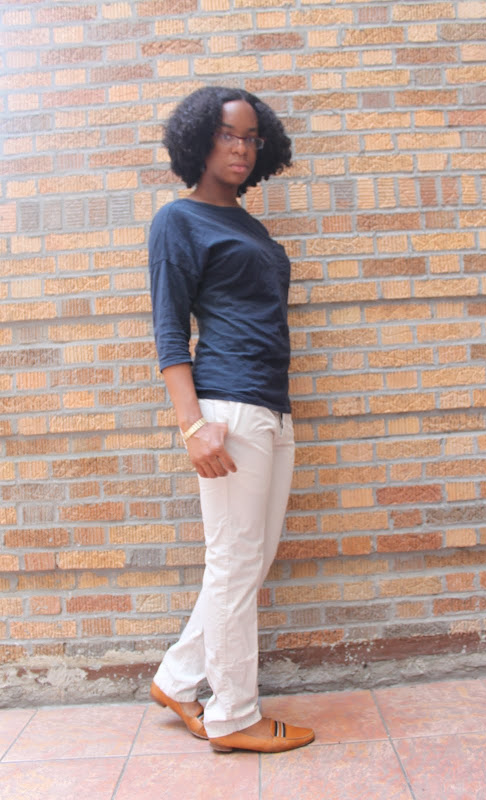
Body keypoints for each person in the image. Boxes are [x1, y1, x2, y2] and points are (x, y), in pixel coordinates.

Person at [148, 86, 314, 754]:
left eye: (251, 137)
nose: (240, 148)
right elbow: (169, 332)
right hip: (227, 407)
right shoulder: (177, 220)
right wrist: (193, 425)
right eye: (226, 134)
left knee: (249, 560)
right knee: (234, 562)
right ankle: (234, 716)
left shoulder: (250, 227)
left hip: (271, 406)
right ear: (198, 141)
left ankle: (177, 679)